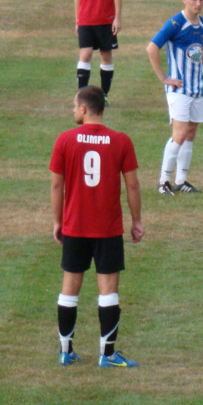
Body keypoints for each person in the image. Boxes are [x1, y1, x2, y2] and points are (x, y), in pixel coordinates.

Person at [50, 86, 143, 368]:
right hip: (108, 227)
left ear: (83, 108)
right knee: (108, 289)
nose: (72, 110)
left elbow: (57, 185)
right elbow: (133, 185)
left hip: (75, 225)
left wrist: (58, 221)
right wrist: (137, 220)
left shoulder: (65, 140)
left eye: (73, 105)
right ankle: (108, 354)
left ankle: (66, 351)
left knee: (70, 286)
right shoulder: (121, 141)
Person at [146, 0, 203, 195]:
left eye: (201, 0)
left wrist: (201, 73)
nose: (198, 4)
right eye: (193, 0)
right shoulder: (175, 23)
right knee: (179, 133)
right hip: (179, 89)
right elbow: (152, 47)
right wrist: (164, 78)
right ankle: (163, 181)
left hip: (197, 89)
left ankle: (181, 181)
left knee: (190, 133)